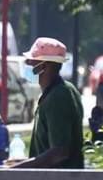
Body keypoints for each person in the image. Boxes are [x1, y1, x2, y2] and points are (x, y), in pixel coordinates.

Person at [12, 37, 84, 169]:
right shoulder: (61, 90)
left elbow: (59, 152)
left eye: (31, 61)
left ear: (43, 65)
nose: (27, 63)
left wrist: (15, 170)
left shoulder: (58, 97)